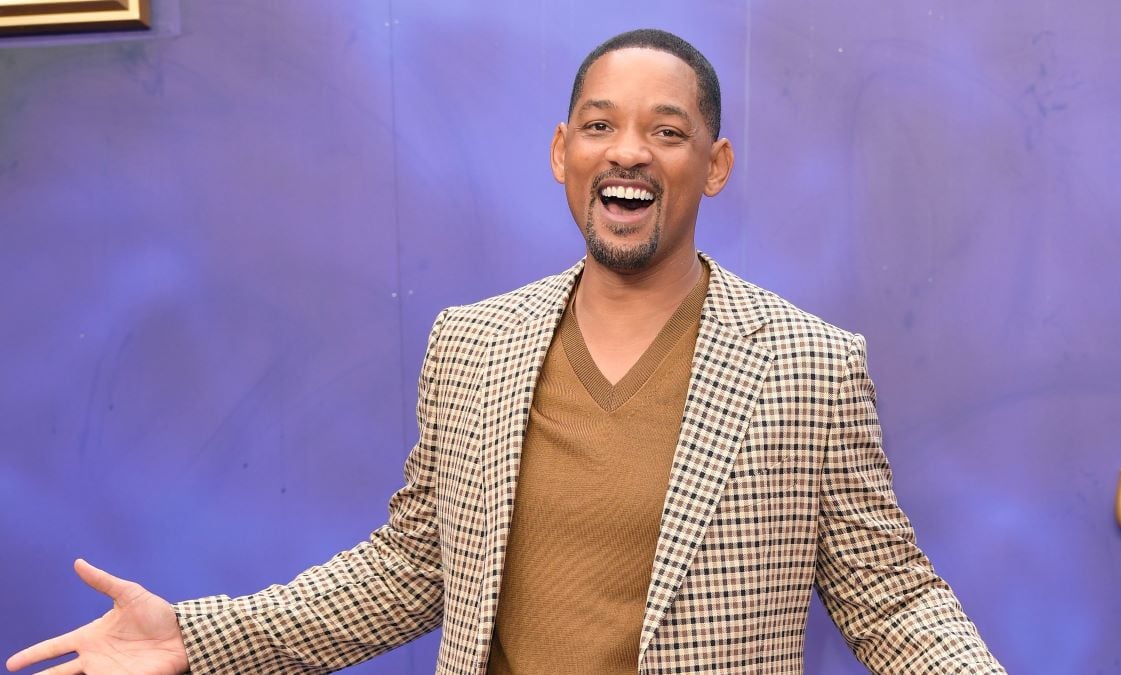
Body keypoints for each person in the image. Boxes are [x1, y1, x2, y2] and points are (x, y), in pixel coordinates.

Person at [7, 29, 1006, 674]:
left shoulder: (809, 365)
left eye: (666, 131)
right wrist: (197, 635)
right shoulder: (473, 345)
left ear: (715, 166)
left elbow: (892, 595)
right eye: (600, 126)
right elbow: (409, 570)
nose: (628, 152)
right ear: (561, 153)